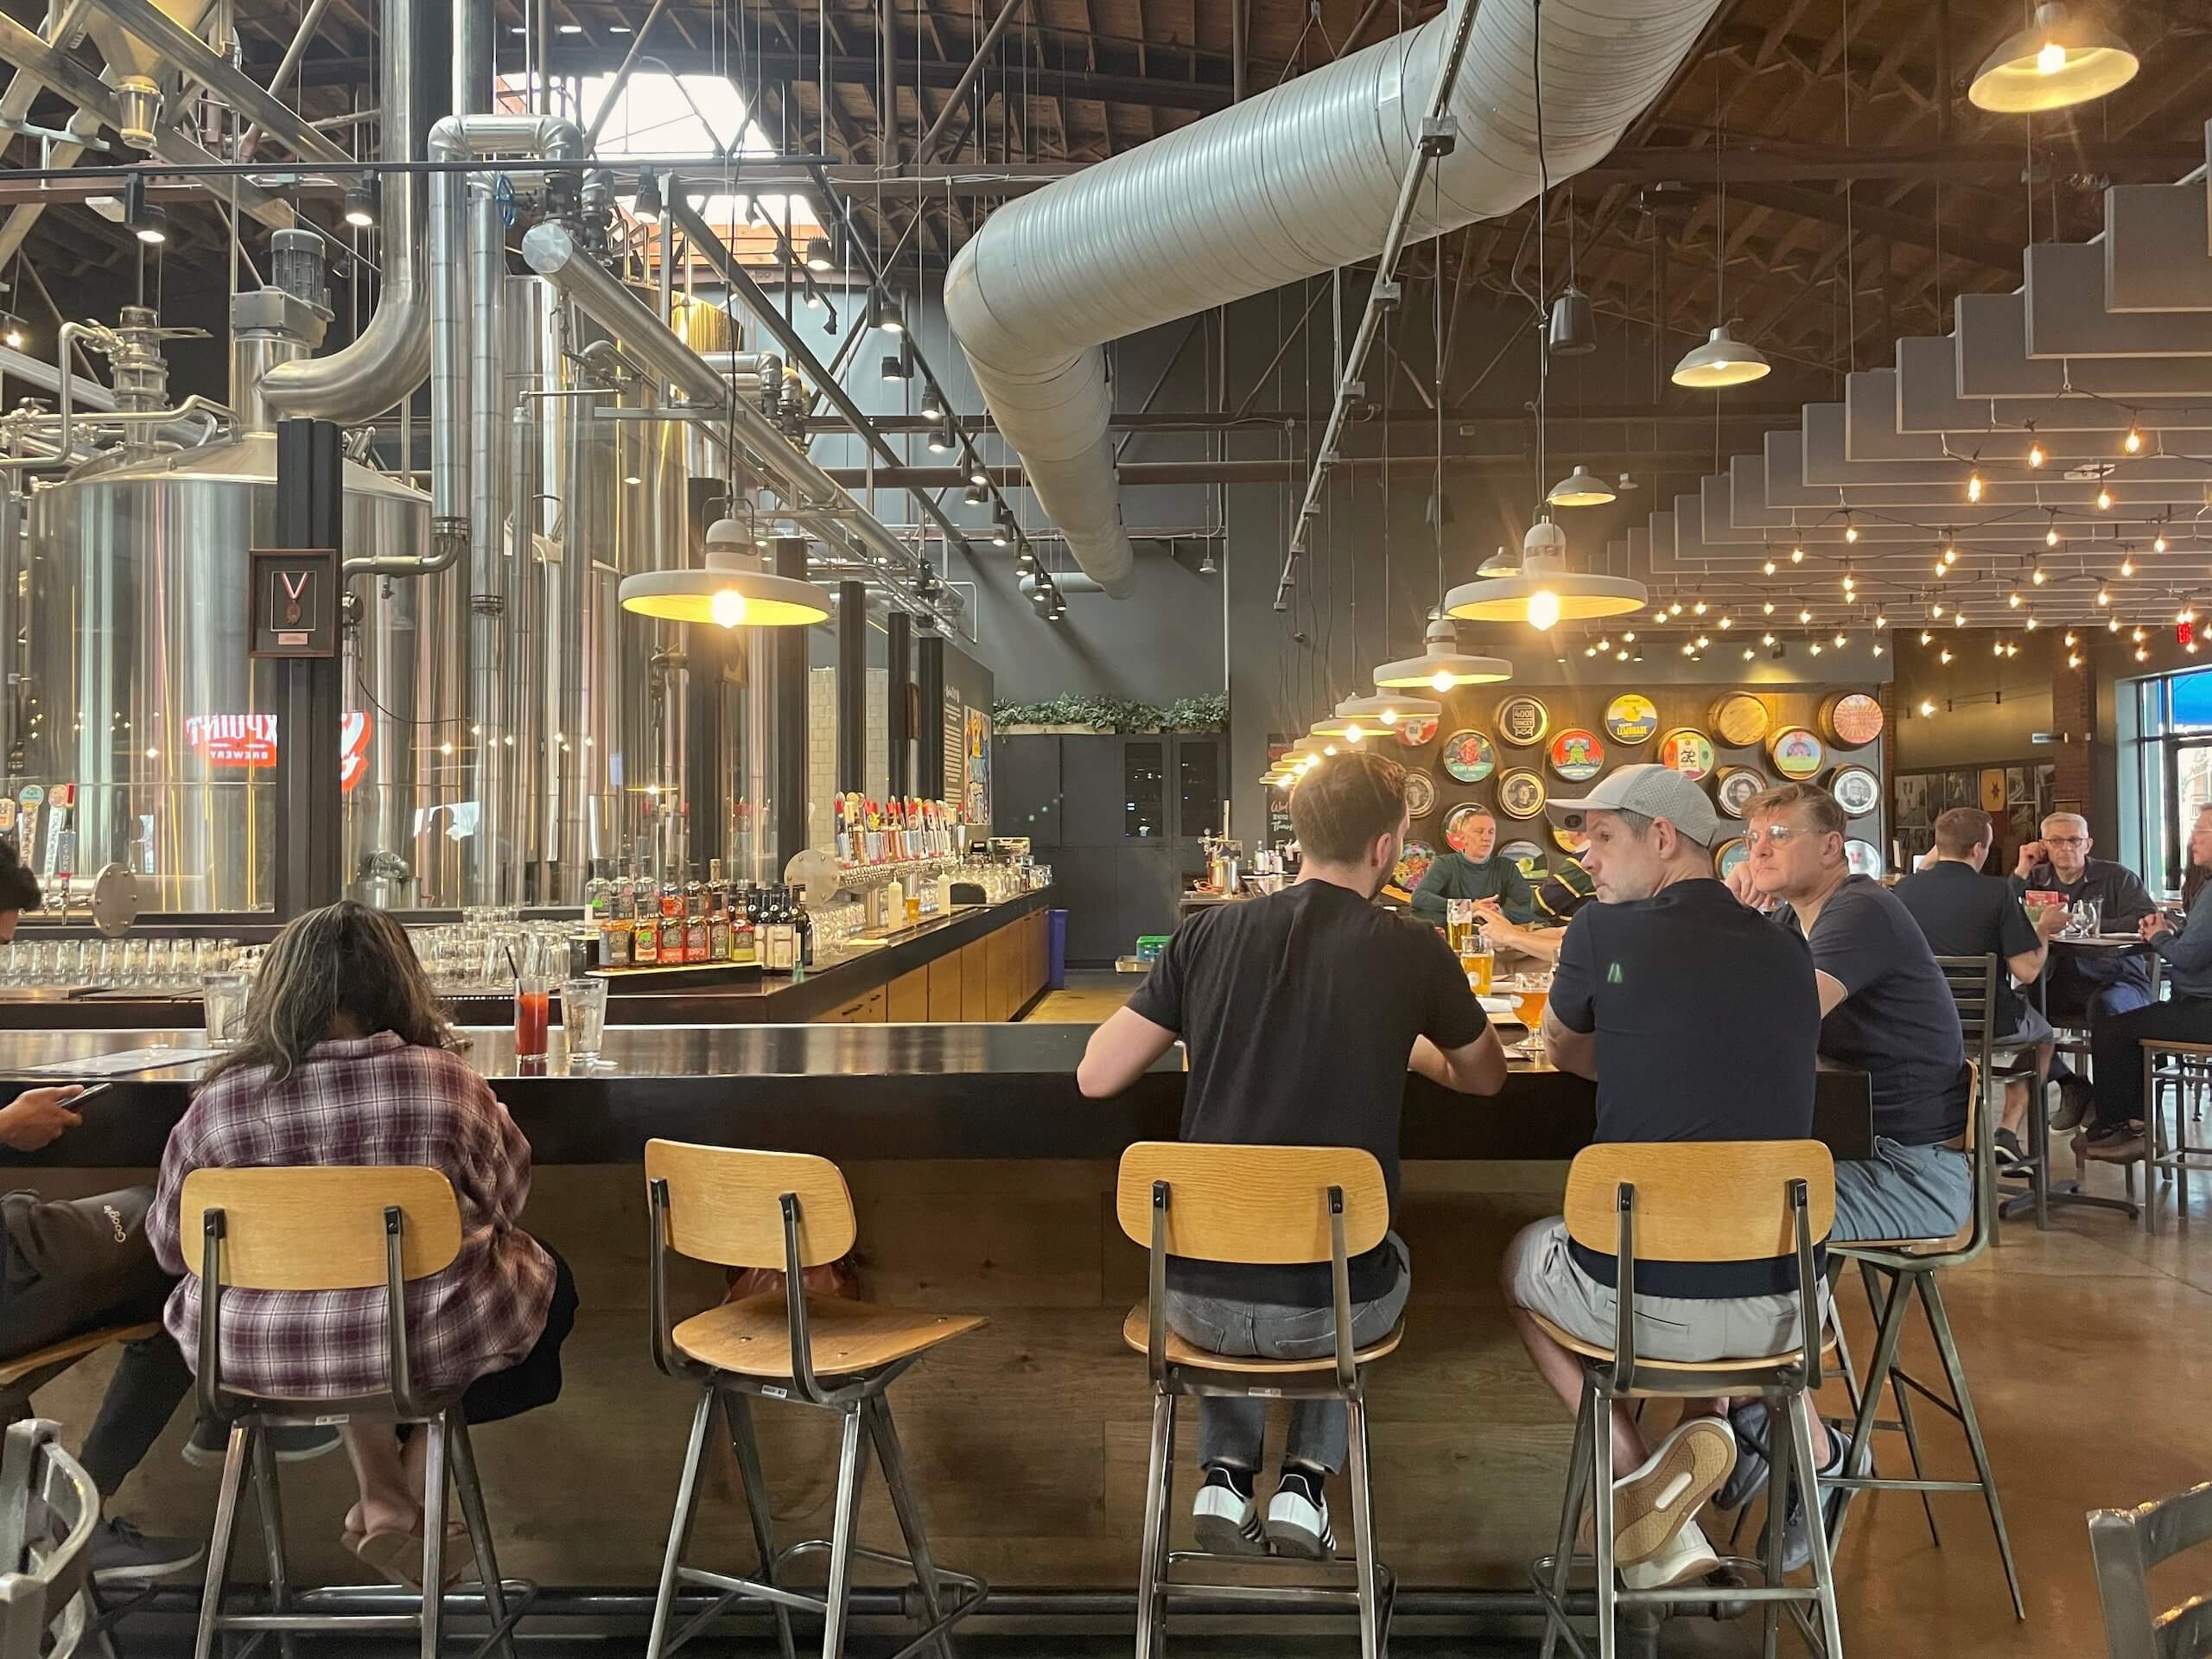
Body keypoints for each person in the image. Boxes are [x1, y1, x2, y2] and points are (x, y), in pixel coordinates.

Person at [1078, 750, 1508, 1558]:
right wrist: (1407, 1044)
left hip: (1192, 1308)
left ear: (1298, 833)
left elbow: (1097, 1075)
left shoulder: (1207, 934)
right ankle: (1306, 1482)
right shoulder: (1410, 948)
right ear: (1385, 848)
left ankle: (1226, 1475)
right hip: (1333, 1318)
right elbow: (1484, 1077)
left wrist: (1201, 1030)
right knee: (1366, 1249)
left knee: (1228, 1241)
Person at [148, 902, 577, 1588]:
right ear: (399, 984)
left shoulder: (219, 1102)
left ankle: (385, 1499)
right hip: (422, 1343)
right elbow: (506, 1201)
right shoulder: (447, 1081)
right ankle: (415, 1473)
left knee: (353, 1312)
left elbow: (172, 1246)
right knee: (529, 1282)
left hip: (252, 1354)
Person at [1505, 766, 1829, 1589]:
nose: (1584, 855)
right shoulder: (1789, 944)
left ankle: (1642, 1485)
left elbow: (1564, 1053)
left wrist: (1632, 1021)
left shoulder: (1600, 937)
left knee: (1521, 1261)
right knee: (1703, 1244)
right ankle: (1705, 1453)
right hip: (1786, 1311)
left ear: (1662, 838)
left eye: (1601, 835)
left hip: (1638, 1309)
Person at [1738, 784, 1974, 1245]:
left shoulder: (1861, 910)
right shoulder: (1790, 922)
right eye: (1751, 838)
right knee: (1686, 1189)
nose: (1759, 851)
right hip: (1843, 1146)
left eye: (1780, 835)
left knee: (1701, 1212)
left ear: (1830, 846)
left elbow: (1783, 1017)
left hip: (1909, 1172)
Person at [1894, 806, 2069, 1164]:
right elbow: (2027, 972)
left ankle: (1953, 1137)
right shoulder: (1997, 893)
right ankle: (2006, 1129)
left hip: (1923, 1022)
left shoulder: (1904, 889)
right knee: (2045, 1036)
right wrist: (2044, 931)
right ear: (1978, 849)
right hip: (1987, 1023)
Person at [2012, 812, 2158, 1129]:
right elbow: (2003, 914)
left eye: (2074, 840)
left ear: (2088, 843)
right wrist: (2022, 868)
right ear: (2044, 846)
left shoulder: (2117, 877)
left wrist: (2082, 925)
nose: (2066, 847)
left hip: (2115, 977)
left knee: (2107, 1010)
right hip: (2056, 978)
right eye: (2056, 841)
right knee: (2012, 1009)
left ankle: (2111, 1116)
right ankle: (2070, 1083)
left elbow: (2145, 919)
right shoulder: (2035, 880)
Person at [2082, 804, 2212, 1159]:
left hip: (2203, 1011)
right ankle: (2134, 1122)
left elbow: (2186, 958)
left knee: (2113, 1028)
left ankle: (2121, 1127)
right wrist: (2171, 933)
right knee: (2135, 1022)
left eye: (2200, 832)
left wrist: (2158, 937)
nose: (2192, 840)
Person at [1408, 804, 1538, 926]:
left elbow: (1536, 907)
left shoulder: (1506, 868)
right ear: (1463, 838)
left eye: (1491, 832)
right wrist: (1468, 907)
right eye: (1479, 831)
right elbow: (1419, 897)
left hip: (1494, 938)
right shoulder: (1446, 864)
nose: (1486, 838)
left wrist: (1502, 913)